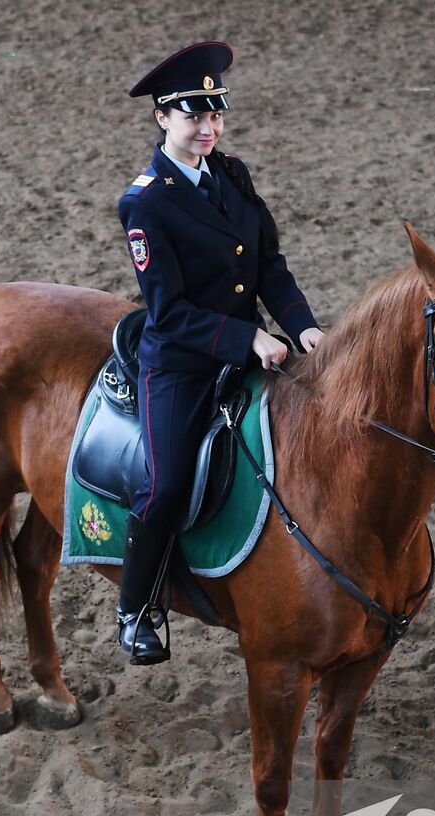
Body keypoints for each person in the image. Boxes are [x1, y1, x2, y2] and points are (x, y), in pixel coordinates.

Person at [115, 40, 324, 666]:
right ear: (162, 117)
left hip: (253, 350)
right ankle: (134, 609)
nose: (207, 127)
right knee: (168, 481)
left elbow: (268, 266)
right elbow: (170, 312)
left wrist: (302, 327)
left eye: (215, 114)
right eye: (192, 115)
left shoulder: (232, 174)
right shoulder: (145, 203)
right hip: (182, 363)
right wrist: (245, 337)